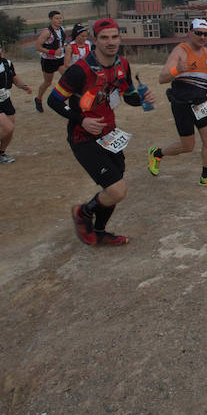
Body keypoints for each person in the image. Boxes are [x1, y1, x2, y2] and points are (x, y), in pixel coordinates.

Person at [47, 18, 155, 245]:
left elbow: (128, 96)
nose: (111, 42)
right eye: (104, 37)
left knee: (114, 185)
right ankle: (83, 213)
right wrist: (81, 120)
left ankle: (99, 232)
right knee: (117, 190)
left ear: (120, 38)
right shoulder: (79, 71)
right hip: (83, 137)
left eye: (115, 37)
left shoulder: (122, 65)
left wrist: (141, 99)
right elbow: (54, 100)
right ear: (95, 40)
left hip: (109, 134)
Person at [147, 19, 207, 189]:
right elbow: (162, 78)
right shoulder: (180, 51)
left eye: (205, 34)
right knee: (187, 146)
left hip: (200, 102)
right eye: (198, 33)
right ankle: (157, 153)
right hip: (182, 103)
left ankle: (206, 176)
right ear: (189, 32)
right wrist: (177, 70)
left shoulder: (206, 52)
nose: (202, 37)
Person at [34, 10, 66, 113]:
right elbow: (37, 47)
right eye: (56, 18)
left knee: (67, 77)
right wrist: (52, 52)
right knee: (47, 82)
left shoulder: (62, 30)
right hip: (48, 60)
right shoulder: (47, 32)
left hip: (60, 59)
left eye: (60, 18)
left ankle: (65, 98)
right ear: (51, 19)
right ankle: (38, 99)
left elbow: (61, 44)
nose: (59, 20)